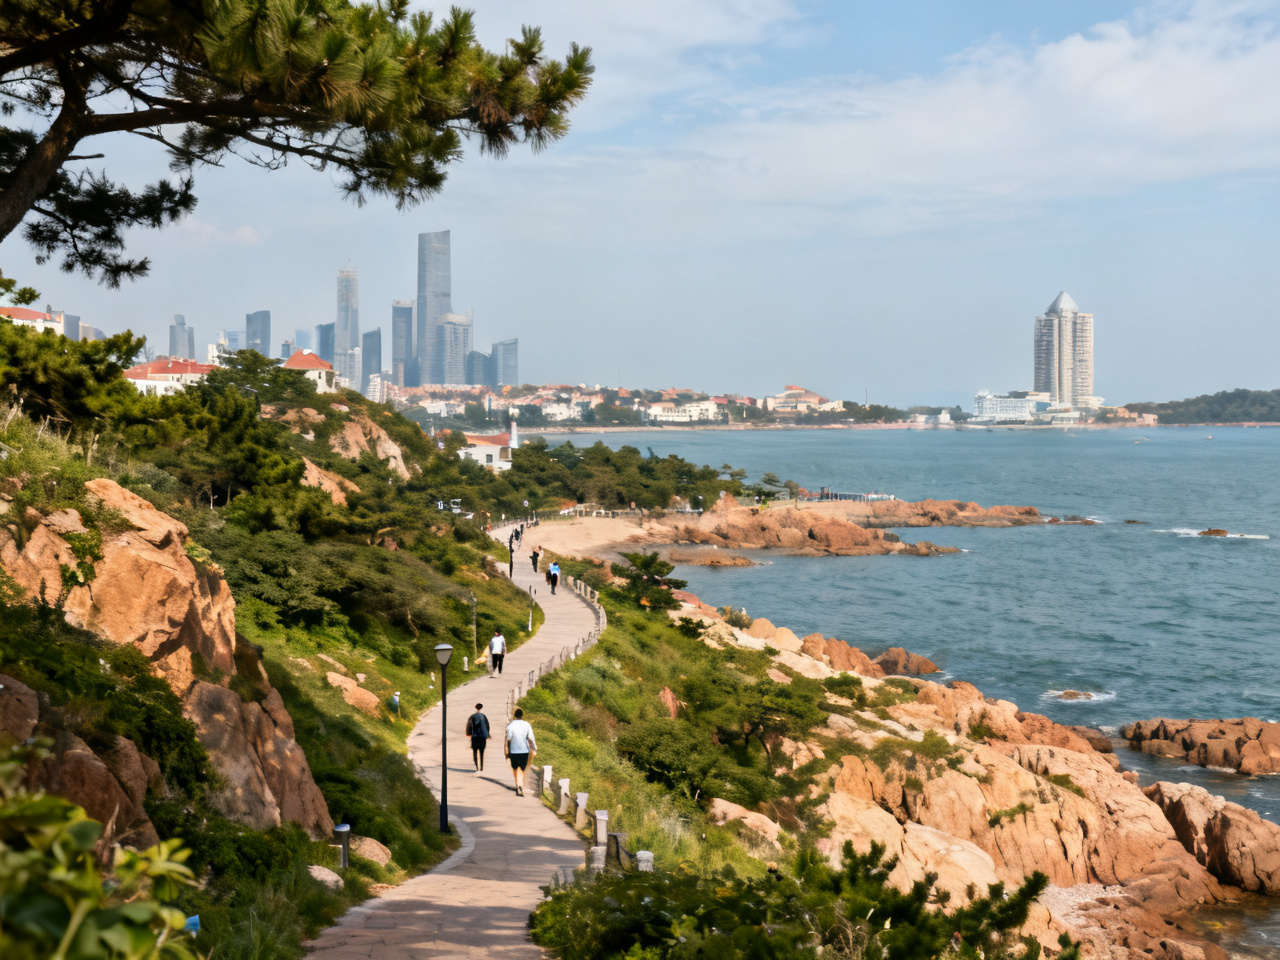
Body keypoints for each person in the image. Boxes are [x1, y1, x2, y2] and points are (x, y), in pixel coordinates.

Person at [504, 707, 537, 796]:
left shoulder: (510, 725)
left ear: (515, 715)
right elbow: (531, 738)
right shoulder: (526, 725)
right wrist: (534, 748)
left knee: (515, 768)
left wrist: (507, 751)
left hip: (514, 751)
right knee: (521, 769)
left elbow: (509, 738)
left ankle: (518, 785)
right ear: (522, 716)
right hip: (524, 750)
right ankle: (520, 786)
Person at [465, 703, 490, 772]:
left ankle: (476, 766)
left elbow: (469, 726)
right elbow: (487, 726)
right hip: (482, 737)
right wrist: (487, 734)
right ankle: (481, 766)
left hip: (475, 736)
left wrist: (469, 733)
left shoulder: (472, 717)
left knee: (475, 751)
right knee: (482, 752)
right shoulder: (484, 716)